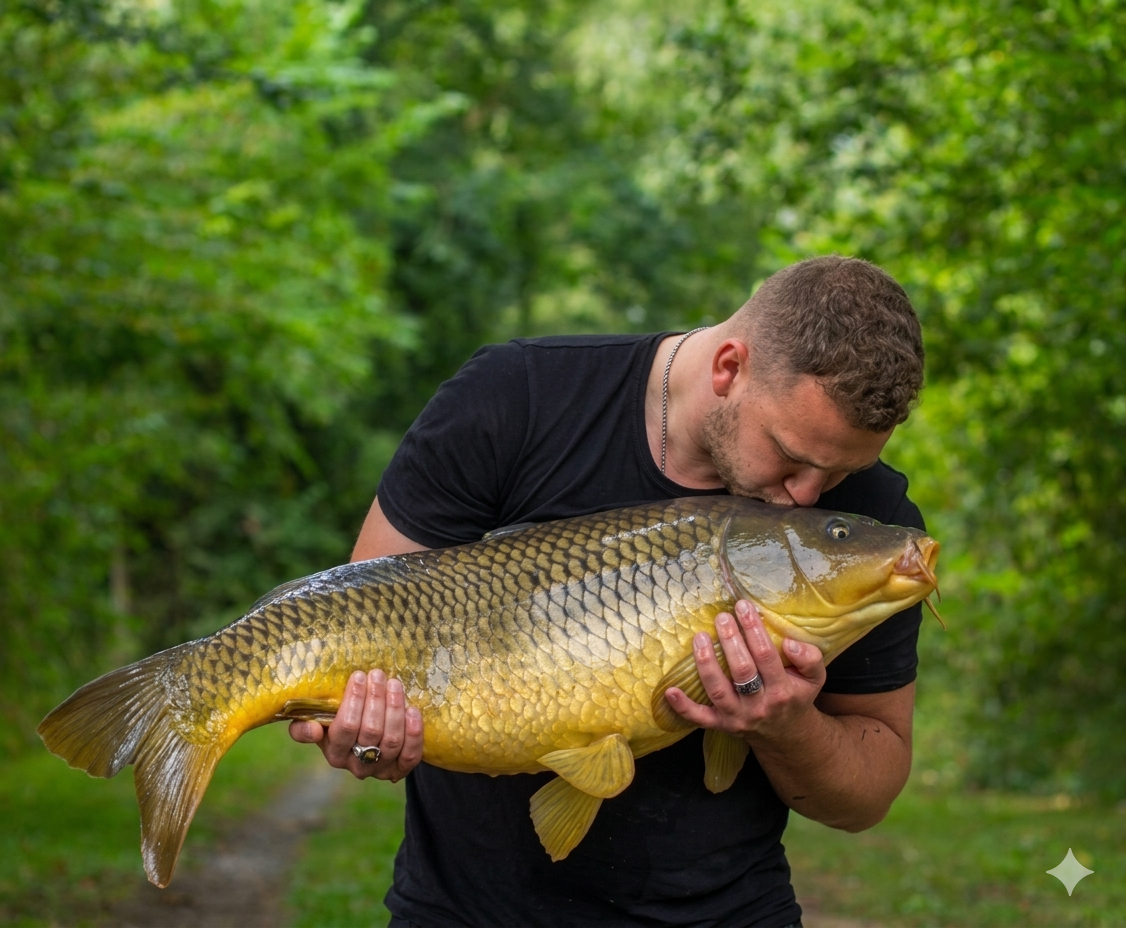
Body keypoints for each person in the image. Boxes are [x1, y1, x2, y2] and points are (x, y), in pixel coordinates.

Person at [289, 255, 927, 927]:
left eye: (838, 473)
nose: (805, 495)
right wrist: (364, 738)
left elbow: (866, 798)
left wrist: (788, 726)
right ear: (729, 367)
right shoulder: (516, 396)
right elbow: (359, 617)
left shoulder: (862, 529)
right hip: (465, 912)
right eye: (792, 456)